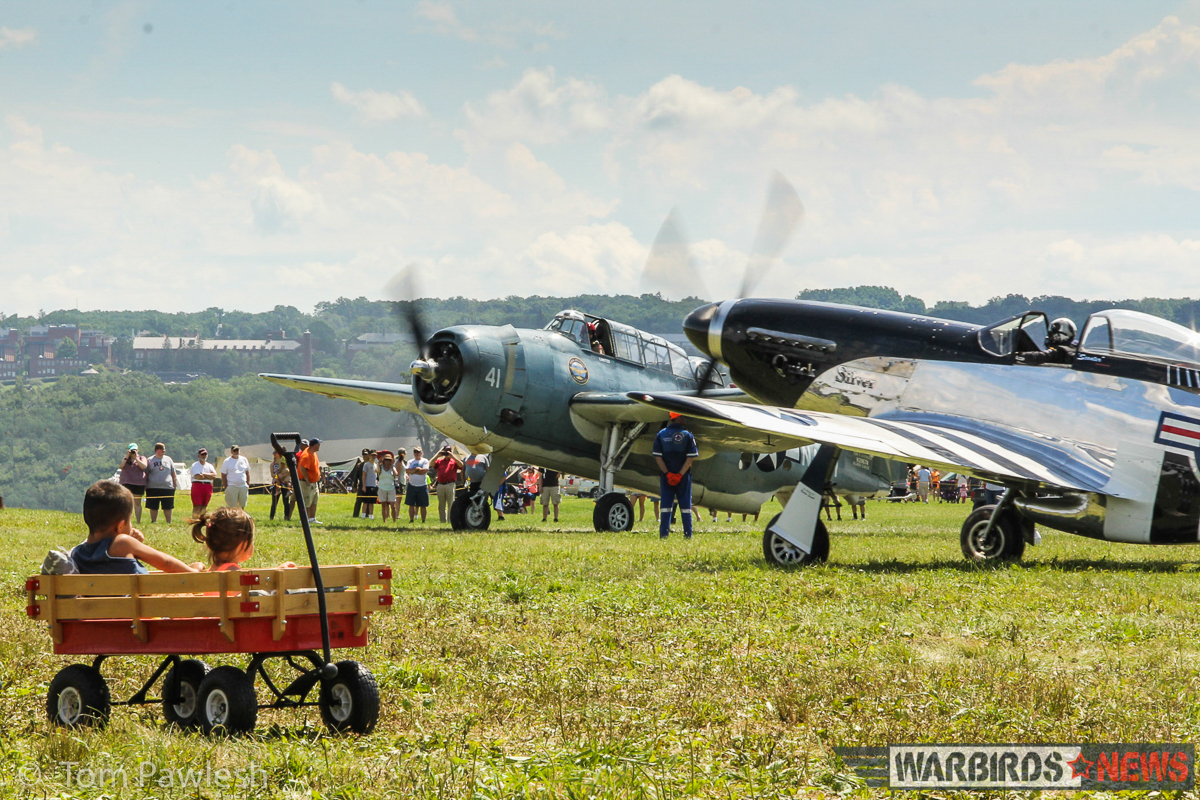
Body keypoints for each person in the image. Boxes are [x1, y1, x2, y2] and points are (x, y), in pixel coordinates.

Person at [71, 481, 202, 574]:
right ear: (120, 526)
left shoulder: (77, 553)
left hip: (96, 612)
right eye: (130, 520)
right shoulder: (123, 543)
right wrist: (193, 570)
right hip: (133, 611)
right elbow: (165, 562)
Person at [189, 507, 296, 572]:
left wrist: (276, 570)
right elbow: (255, 587)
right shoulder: (232, 573)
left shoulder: (213, 570)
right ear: (242, 545)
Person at [653, 413, 699, 539]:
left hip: (666, 477)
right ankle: (688, 535)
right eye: (683, 416)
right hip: (683, 477)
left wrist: (668, 474)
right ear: (677, 418)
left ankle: (664, 535)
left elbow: (658, 457)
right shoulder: (688, 435)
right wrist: (679, 475)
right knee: (685, 507)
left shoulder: (661, 434)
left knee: (665, 506)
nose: (685, 418)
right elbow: (690, 459)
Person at [144, 442, 178, 523]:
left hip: (167, 487)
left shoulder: (169, 459)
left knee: (168, 506)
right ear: (157, 450)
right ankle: (153, 521)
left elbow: (173, 473)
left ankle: (168, 522)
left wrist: (175, 484)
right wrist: (145, 485)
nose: (164, 451)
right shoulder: (150, 460)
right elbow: (146, 473)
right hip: (153, 487)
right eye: (162, 449)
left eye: (164, 449)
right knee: (153, 506)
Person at [431, 446, 462, 523]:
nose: (447, 453)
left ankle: (450, 520)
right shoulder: (439, 461)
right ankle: (442, 521)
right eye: (446, 451)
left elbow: (461, 465)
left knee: (451, 503)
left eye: (449, 451)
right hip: (440, 485)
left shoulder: (453, 461)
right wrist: (437, 455)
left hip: (450, 484)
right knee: (441, 505)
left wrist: (453, 457)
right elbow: (431, 464)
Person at [119, 443, 148, 523]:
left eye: (134, 450)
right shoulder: (125, 458)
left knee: (137, 503)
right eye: (131, 450)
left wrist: (136, 459)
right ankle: (127, 521)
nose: (133, 452)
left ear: (138, 450)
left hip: (138, 483)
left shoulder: (142, 458)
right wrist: (127, 456)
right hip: (126, 482)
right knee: (126, 503)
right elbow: (121, 466)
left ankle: (138, 521)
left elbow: (144, 466)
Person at [296, 438, 322, 524]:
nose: (319, 446)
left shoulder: (313, 453)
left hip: (314, 482)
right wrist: (307, 479)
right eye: (318, 444)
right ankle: (304, 519)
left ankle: (312, 518)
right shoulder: (306, 455)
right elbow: (302, 468)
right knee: (306, 501)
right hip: (306, 482)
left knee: (314, 500)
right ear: (314, 445)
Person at [189, 448, 218, 517]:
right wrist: (208, 475)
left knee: (204, 506)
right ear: (199, 455)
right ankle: (195, 520)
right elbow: (197, 476)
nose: (204, 456)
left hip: (208, 486)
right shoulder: (195, 465)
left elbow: (214, 476)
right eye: (202, 454)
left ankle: (201, 520)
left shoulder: (210, 465)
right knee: (197, 505)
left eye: (205, 454)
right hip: (198, 485)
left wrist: (203, 474)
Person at [405, 446, 430, 523]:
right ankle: (411, 520)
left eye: (418, 452)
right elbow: (407, 471)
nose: (416, 453)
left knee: (423, 505)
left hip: (422, 485)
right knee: (411, 504)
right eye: (415, 452)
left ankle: (423, 520)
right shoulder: (410, 461)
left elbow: (424, 471)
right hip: (412, 485)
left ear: (421, 453)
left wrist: (414, 471)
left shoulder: (425, 461)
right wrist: (417, 469)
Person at [221, 445, 251, 509]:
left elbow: (247, 472)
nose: (236, 452)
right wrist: (226, 486)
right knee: (231, 506)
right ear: (231, 451)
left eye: (237, 450)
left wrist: (248, 483)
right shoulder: (227, 461)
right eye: (234, 450)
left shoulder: (244, 459)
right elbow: (223, 474)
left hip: (243, 485)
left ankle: (241, 517)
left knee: (242, 504)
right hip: (232, 485)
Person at [269, 451, 294, 521]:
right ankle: (271, 517)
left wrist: (283, 475)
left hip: (285, 483)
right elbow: (272, 475)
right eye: (273, 452)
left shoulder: (285, 462)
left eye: (275, 452)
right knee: (274, 502)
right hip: (276, 483)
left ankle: (286, 517)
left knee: (286, 501)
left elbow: (289, 471)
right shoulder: (272, 464)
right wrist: (278, 476)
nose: (274, 453)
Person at [376, 450, 399, 523]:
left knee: (393, 505)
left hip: (391, 488)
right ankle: (384, 520)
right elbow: (376, 471)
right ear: (384, 460)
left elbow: (396, 474)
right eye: (386, 460)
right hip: (382, 488)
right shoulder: (380, 467)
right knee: (384, 505)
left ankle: (394, 520)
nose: (387, 461)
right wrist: (378, 464)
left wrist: (392, 467)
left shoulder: (392, 468)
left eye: (389, 460)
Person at [357, 449, 378, 519]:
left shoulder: (376, 465)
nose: (373, 457)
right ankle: (363, 516)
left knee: (372, 502)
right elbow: (364, 475)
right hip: (367, 485)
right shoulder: (366, 465)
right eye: (372, 455)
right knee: (365, 502)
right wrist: (363, 486)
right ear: (369, 455)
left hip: (373, 486)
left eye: (375, 455)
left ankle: (371, 516)